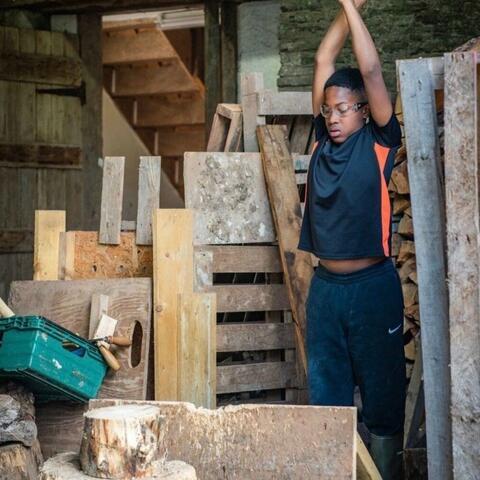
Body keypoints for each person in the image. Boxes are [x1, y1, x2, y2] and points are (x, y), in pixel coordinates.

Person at [297, 1, 406, 478]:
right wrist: (348, 5)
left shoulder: (380, 140)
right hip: (325, 292)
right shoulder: (321, 138)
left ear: (364, 110)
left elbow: (371, 68)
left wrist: (351, 9)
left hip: (373, 288)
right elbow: (325, 59)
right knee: (328, 398)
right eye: (328, 109)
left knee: (383, 397)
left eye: (343, 109)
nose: (334, 117)